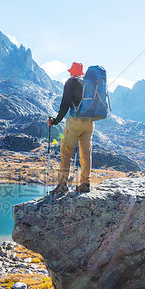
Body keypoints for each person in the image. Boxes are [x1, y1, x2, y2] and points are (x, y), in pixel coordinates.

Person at [47, 61, 92, 194]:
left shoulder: (71, 83)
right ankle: (85, 183)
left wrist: (55, 121)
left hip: (75, 121)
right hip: (90, 123)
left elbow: (64, 105)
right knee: (86, 153)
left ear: (72, 72)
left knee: (66, 152)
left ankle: (63, 185)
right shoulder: (89, 84)